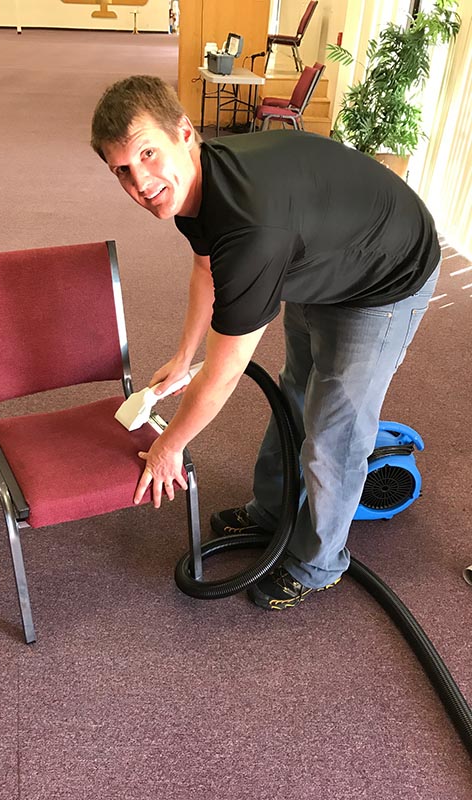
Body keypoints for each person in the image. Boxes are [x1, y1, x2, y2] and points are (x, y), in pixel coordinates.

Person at [90, 75, 441, 610]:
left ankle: (319, 563)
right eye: (123, 169)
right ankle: (272, 511)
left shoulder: (251, 228)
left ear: (184, 133)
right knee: (294, 392)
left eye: (147, 153)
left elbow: (225, 374)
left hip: (386, 273)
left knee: (335, 429)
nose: (141, 181)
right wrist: (183, 356)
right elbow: (207, 268)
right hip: (316, 255)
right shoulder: (194, 184)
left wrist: (169, 446)